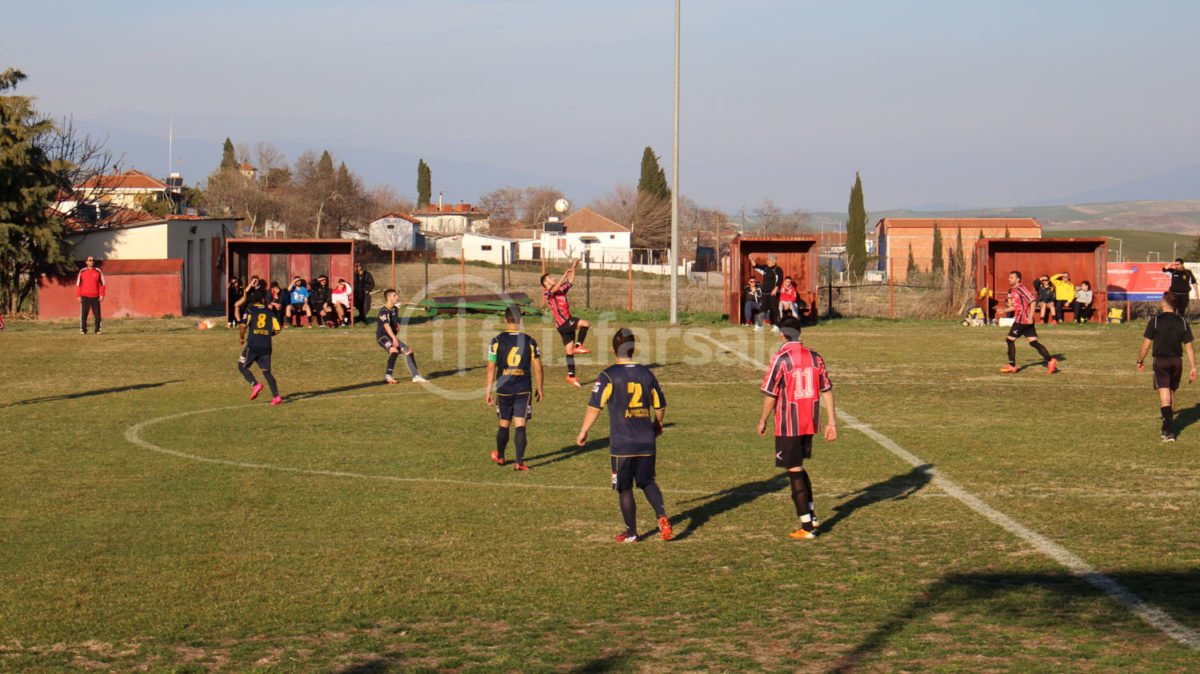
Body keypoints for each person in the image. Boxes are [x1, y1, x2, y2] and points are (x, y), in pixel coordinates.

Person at [576, 328, 672, 543]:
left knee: (625, 487)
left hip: (623, 443)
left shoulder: (608, 375)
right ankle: (662, 515)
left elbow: (594, 406)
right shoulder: (647, 373)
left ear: (612, 350)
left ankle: (632, 533)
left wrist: (583, 431)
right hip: (646, 439)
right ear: (634, 350)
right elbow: (660, 403)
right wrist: (658, 423)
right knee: (648, 482)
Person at [756, 315, 837, 540]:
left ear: (782, 334)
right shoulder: (815, 356)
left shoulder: (780, 358)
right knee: (798, 466)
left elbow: (771, 395)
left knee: (793, 471)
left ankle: (807, 527)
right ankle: (811, 515)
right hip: (809, 422)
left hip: (788, 424)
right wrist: (832, 422)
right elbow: (827, 390)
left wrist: (763, 419)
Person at [485, 305, 544, 471]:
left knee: (504, 423)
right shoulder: (530, 341)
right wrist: (540, 388)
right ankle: (519, 462)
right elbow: (538, 368)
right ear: (521, 321)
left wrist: (488, 390)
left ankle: (501, 456)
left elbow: (490, 367)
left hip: (503, 389)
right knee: (520, 424)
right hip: (523, 388)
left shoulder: (496, 341)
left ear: (505, 320)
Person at [1137, 292, 1197, 442]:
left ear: (1163, 304)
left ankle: (1168, 432)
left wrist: (1140, 360)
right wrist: (1193, 367)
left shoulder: (1155, 321)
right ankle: (1168, 427)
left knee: (1165, 398)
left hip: (1161, 362)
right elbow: (1189, 347)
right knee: (1172, 394)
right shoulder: (1183, 322)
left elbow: (1146, 344)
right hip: (1177, 361)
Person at [541, 259, 591, 387]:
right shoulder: (548, 293)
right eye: (550, 278)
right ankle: (579, 345)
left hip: (564, 325)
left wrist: (573, 267)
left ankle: (571, 376)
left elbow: (571, 281)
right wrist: (564, 275)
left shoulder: (560, 290)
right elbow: (555, 288)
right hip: (564, 323)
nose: (552, 279)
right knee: (585, 323)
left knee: (569, 352)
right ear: (545, 283)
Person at [1000, 271, 1059, 374]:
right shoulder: (1013, 291)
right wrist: (1004, 310)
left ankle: (1012, 365)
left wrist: (1030, 316)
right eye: (1009, 277)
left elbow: (1033, 301)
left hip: (1023, 320)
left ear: (1018, 279)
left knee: (1010, 340)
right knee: (1033, 342)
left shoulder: (1022, 289)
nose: (1009, 279)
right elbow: (1017, 306)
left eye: (1012, 277)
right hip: (1024, 320)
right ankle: (1051, 360)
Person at [237, 288, 283, 406]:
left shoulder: (250, 310)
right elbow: (277, 329)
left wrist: (241, 337)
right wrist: (267, 334)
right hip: (266, 345)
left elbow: (243, 325)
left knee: (241, 366)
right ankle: (277, 396)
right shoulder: (269, 312)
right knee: (267, 372)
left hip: (253, 344)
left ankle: (256, 384)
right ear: (263, 299)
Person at [376, 289, 427, 384]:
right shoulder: (384, 311)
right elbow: (386, 326)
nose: (397, 297)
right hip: (383, 337)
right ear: (388, 298)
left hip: (391, 337)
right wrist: (394, 339)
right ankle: (388, 376)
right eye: (394, 296)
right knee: (394, 350)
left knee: (408, 351)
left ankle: (416, 376)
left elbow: (404, 303)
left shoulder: (395, 307)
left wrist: (420, 305)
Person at [751, 254, 784, 328]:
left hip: (773, 293)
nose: (768, 261)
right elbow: (756, 266)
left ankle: (777, 326)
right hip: (765, 293)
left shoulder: (777, 269)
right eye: (768, 260)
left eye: (769, 260)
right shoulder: (765, 268)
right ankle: (759, 326)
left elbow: (780, 280)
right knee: (763, 308)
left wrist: (775, 289)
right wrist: (752, 260)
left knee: (775, 309)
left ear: (774, 261)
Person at [76, 255, 105, 334]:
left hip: (95, 297)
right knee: (84, 314)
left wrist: (101, 294)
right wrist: (78, 295)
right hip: (85, 296)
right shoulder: (82, 272)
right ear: (86, 262)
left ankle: (98, 329)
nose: (91, 262)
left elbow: (102, 284)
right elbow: (78, 284)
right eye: (90, 260)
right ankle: (83, 329)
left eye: (92, 260)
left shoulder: (98, 271)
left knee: (97, 315)